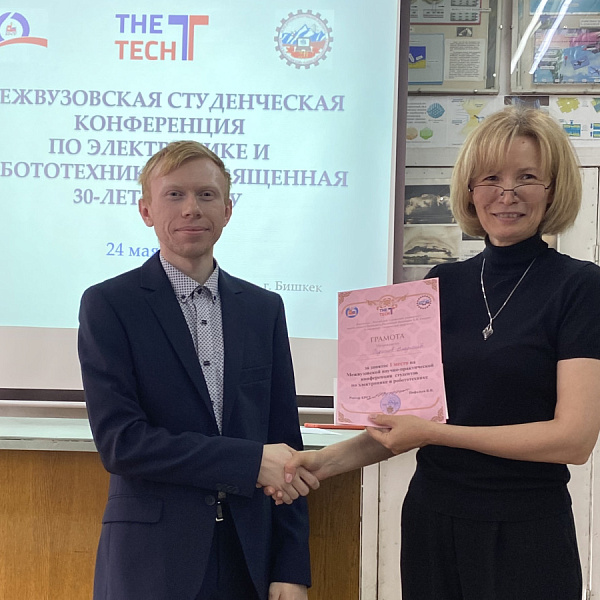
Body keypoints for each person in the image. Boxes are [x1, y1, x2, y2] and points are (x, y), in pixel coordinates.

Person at [276, 106, 600, 599]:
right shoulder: (439, 284)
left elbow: (572, 440)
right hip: (432, 522)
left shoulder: (580, 287)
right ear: (469, 190)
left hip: (526, 529)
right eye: (490, 178)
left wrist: (434, 433)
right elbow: (407, 423)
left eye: (527, 177)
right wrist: (321, 464)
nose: (506, 194)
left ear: (554, 190)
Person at [78, 141, 316, 600]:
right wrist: (248, 463)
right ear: (146, 211)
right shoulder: (110, 304)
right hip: (153, 560)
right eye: (175, 195)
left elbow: (285, 442)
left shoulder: (263, 309)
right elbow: (122, 443)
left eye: (207, 195)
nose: (192, 208)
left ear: (227, 210)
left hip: (249, 557)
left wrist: (291, 567)